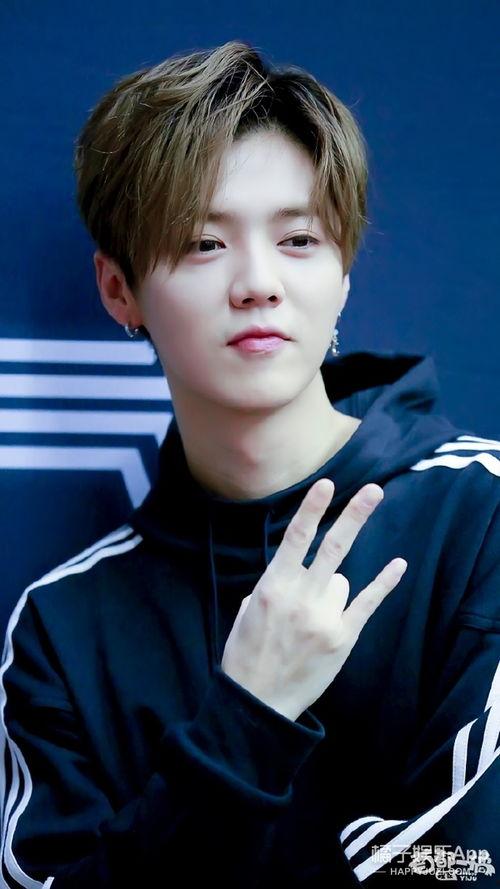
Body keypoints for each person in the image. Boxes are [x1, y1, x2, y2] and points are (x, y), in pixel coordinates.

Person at [1, 39, 499, 888]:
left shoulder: (479, 517)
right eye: (204, 243)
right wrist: (248, 715)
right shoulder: (61, 629)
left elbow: (473, 862)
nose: (258, 282)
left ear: (344, 271)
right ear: (119, 289)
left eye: (299, 238)